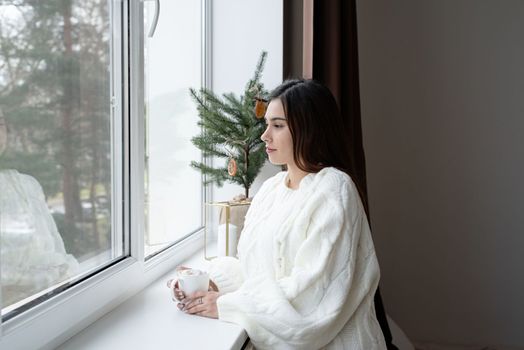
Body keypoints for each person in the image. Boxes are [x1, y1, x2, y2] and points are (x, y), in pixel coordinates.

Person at [170, 79, 386, 349]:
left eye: (278, 125)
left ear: (310, 127)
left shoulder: (334, 190)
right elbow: (258, 273)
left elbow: (312, 298)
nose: (264, 136)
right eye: (266, 124)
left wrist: (227, 306)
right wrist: (211, 283)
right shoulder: (271, 190)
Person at [0, 112, 78, 308]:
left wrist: (66, 272)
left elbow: (56, 247)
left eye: (0, 123)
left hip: (54, 304)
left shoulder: (28, 185)